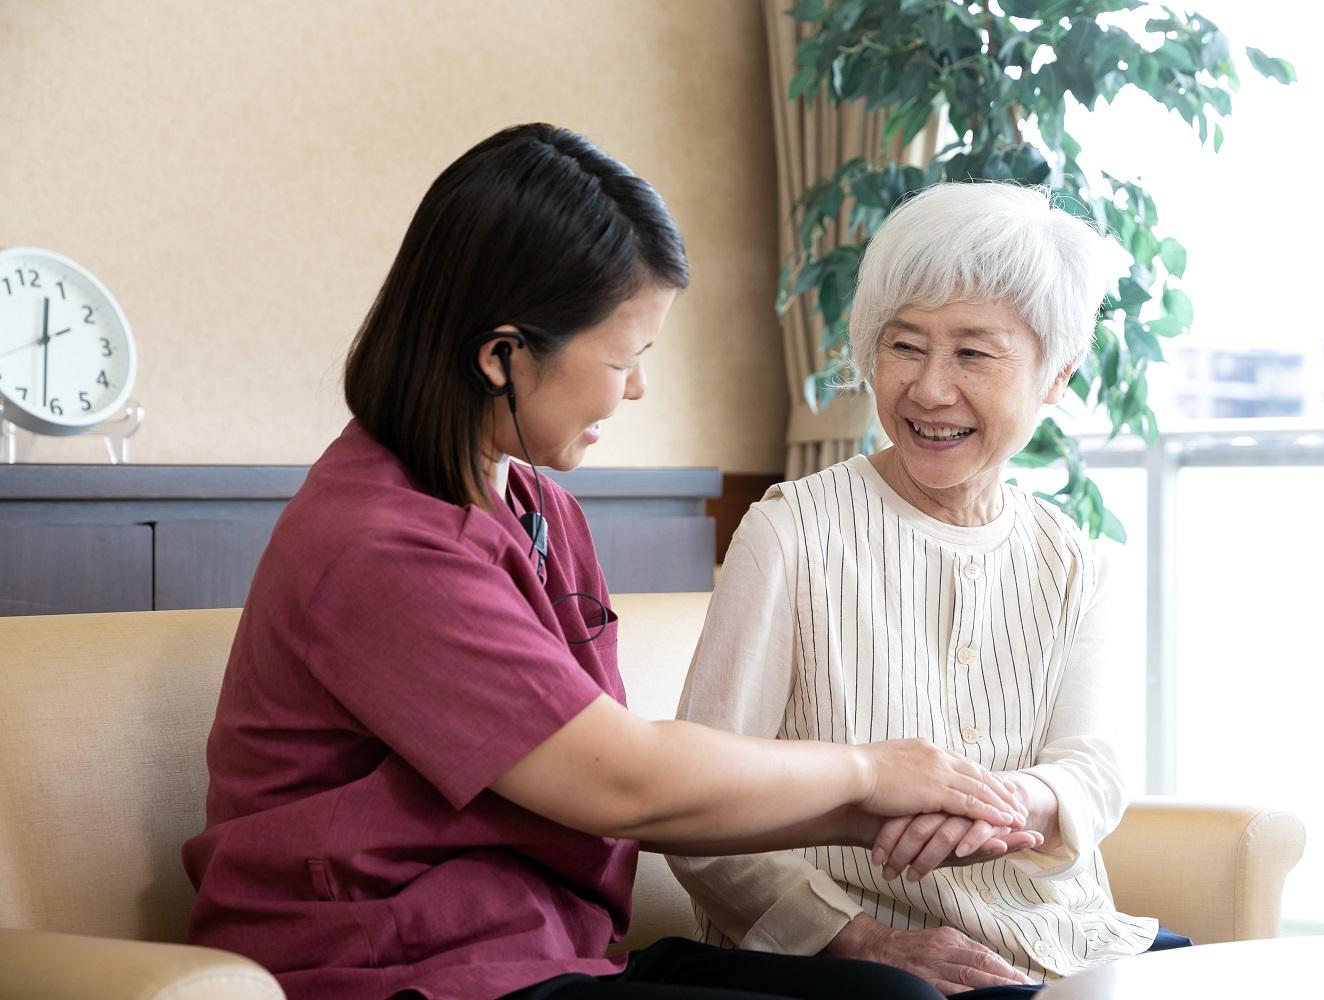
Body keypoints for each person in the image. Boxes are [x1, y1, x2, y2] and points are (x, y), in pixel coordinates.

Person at [180, 125, 1033, 1000]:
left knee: (927, 996)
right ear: (501, 354)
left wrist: (889, 811)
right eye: (624, 358)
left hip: (542, 957)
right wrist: (873, 772)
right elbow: (625, 783)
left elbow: (628, 790)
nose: (636, 390)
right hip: (394, 969)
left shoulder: (537, 508)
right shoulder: (377, 544)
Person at [668, 182, 1189, 998]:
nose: (930, 390)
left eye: (974, 354)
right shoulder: (792, 533)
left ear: (1057, 376)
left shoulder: (1077, 561)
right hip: (845, 949)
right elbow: (696, 807)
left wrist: (1005, 799)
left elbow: (1093, 770)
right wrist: (855, 938)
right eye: (904, 346)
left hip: (1057, 935)